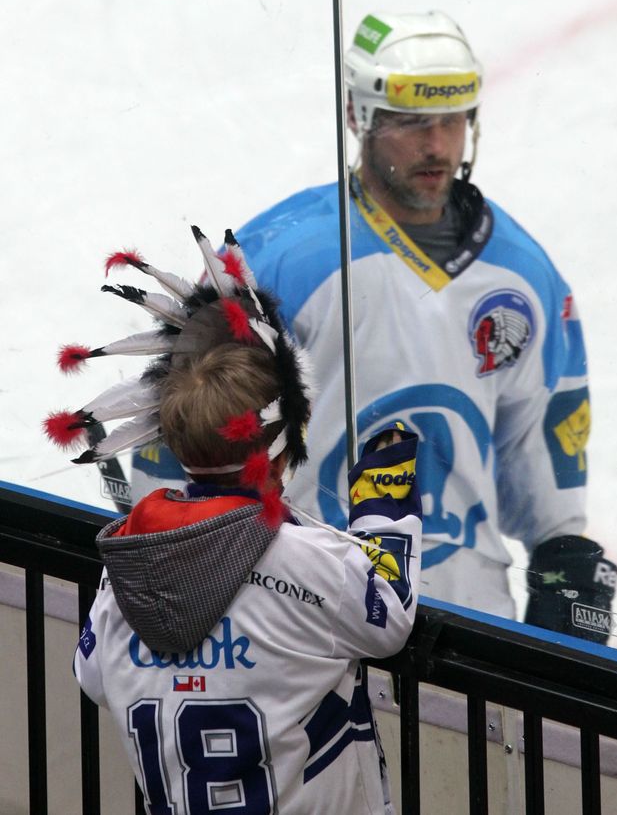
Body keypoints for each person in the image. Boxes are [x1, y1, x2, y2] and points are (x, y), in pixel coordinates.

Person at [229, 10, 617, 642]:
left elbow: (547, 490)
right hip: (301, 624)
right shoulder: (277, 260)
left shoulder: (524, 277)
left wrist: (564, 571)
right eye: (412, 123)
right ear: (359, 118)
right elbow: (186, 456)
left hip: (466, 628)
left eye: (452, 120)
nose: (437, 145)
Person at [45, 227, 422, 814]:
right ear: (282, 439)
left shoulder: (128, 560)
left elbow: (94, 674)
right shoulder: (305, 563)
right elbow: (387, 617)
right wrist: (386, 504)